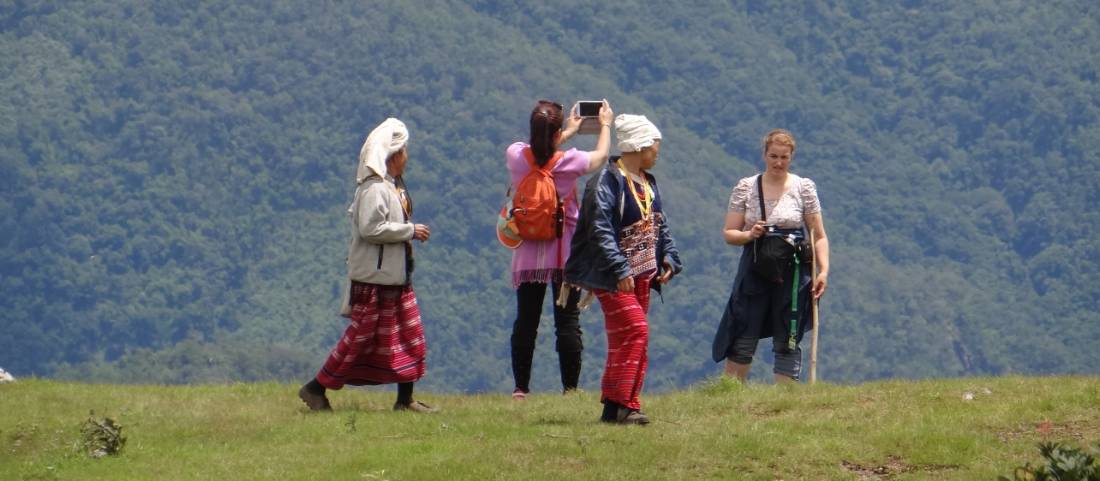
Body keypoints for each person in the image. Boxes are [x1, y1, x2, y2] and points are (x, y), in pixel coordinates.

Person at [299, 118, 434, 412]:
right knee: (359, 340)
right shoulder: (375, 189)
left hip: (393, 277)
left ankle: (404, 400)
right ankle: (315, 388)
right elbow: (370, 229)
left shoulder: (390, 187)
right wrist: (409, 230)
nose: (407, 157)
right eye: (405, 151)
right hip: (375, 280)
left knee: (410, 335)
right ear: (394, 155)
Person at [565, 114, 682, 425]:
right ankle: (625, 404)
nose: (657, 152)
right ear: (639, 146)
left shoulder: (647, 183)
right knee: (636, 331)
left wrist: (669, 258)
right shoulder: (605, 182)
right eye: (654, 147)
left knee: (626, 340)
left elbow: (660, 225)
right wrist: (619, 269)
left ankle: (615, 409)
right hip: (614, 277)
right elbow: (601, 230)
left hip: (641, 275)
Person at [505, 99, 614, 400]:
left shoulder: (516, 157)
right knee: (566, 322)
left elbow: (535, 150)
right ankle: (570, 390)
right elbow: (601, 157)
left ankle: (520, 388)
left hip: (527, 253)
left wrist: (564, 132)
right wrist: (604, 124)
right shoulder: (569, 162)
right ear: (555, 135)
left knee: (526, 320)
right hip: (564, 254)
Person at [712, 129, 830, 383]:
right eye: (773, 156)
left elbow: (818, 235)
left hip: (794, 269)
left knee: (789, 331)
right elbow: (729, 233)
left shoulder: (804, 188)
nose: (778, 162)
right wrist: (749, 235)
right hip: (755, 266)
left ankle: (784, 400)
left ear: (791, 157)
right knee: (744, 326)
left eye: (784, 157)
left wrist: (823, 271)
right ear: (764, 154)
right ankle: (730, 393)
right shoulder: (746, 187)